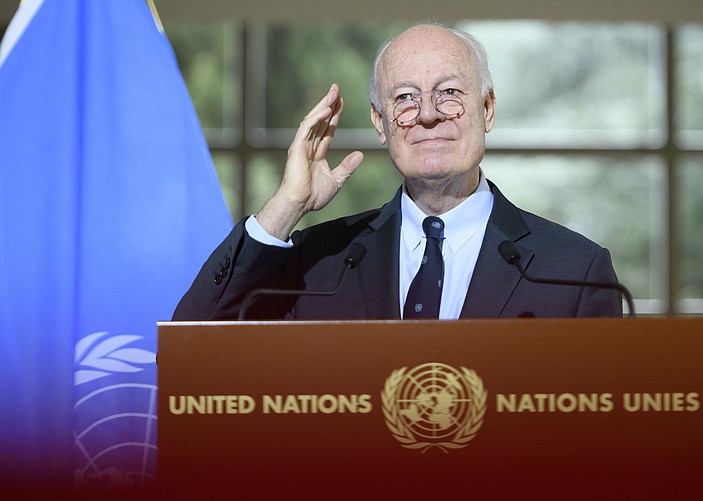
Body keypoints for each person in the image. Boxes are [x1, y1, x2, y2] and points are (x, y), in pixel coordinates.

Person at [172, 23, 622, 321]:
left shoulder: (574, 271)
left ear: (487, 109)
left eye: (449, 92)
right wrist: (285, 208)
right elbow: (191, 342)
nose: (427, 114)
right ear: (380, 123)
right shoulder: (317, 263)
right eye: (405, 98)